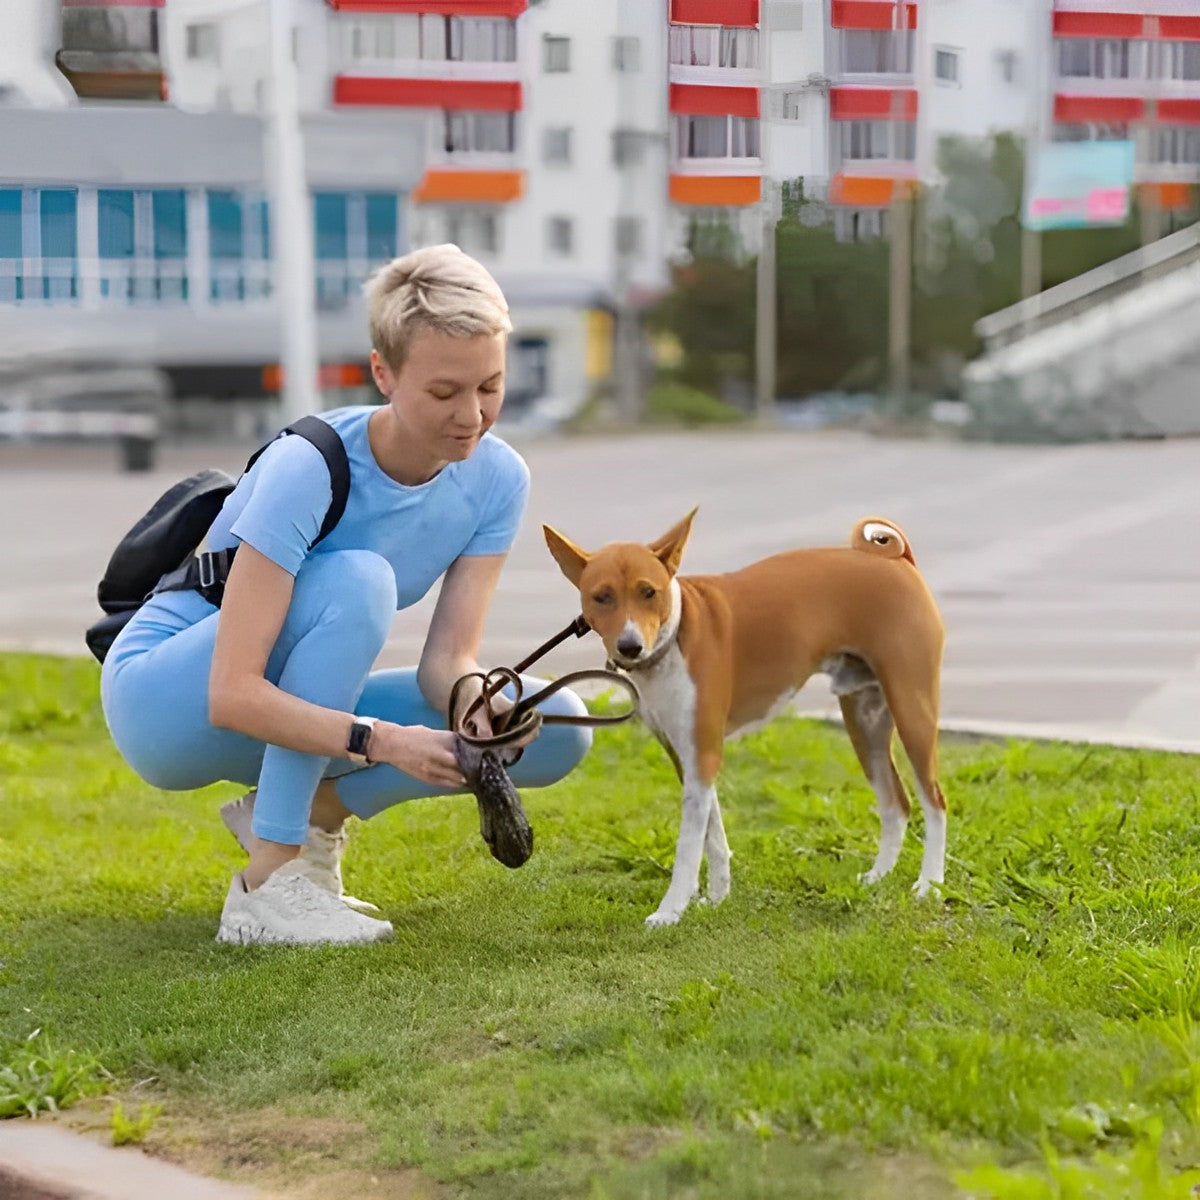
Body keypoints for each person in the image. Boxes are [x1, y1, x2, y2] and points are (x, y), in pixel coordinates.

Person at [100, 244, 592, 947]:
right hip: (167, 702)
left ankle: (314, 813)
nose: (473, 416)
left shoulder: (498, 479)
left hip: (295, 702)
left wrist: (474, 700)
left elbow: (447, 660)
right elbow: (231, 693)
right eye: (445, 392)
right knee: (360, 579)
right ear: (384, 373)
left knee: (554, 727)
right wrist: (382, 741)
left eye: (490, 386)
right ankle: (268, 882)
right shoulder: (310, 464)